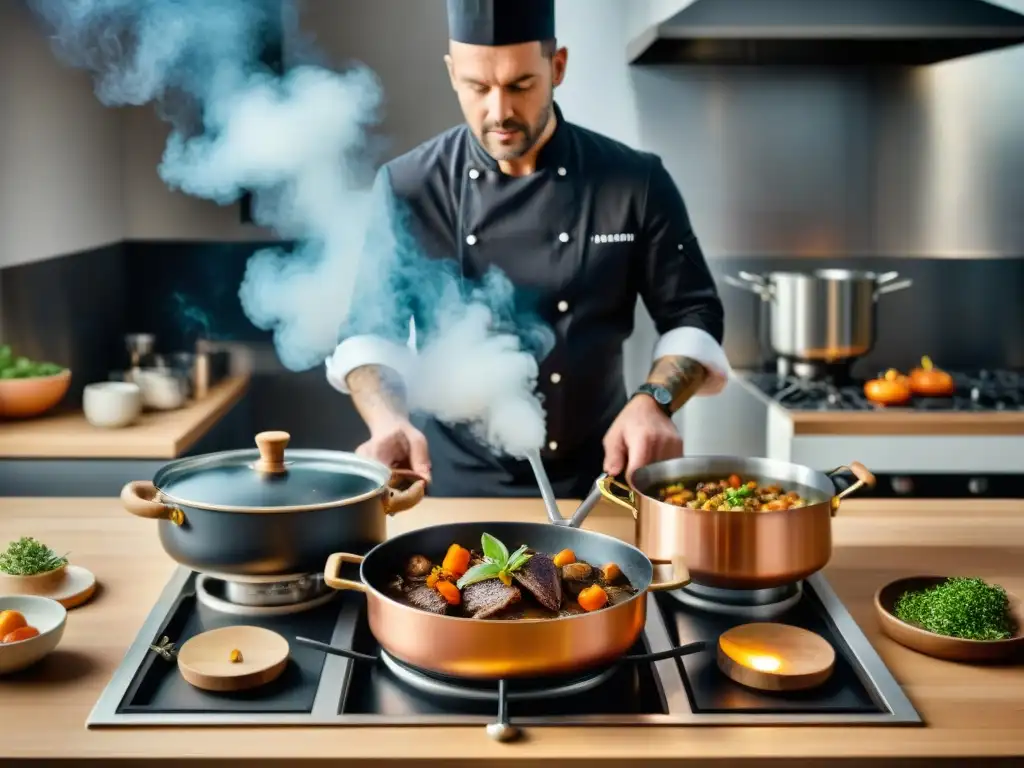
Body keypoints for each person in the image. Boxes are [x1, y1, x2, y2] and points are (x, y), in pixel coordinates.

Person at [326, 0, 730, 498]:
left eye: (520, 85)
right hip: (452, 487)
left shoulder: (634, 181)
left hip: (601, 482)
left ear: (557, 67)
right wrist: (387, 420)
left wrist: (656, 400)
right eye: (478, 87)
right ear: (453, 74)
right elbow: (370, 333)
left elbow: (693, 312)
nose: (499, 112)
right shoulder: (410, 185)